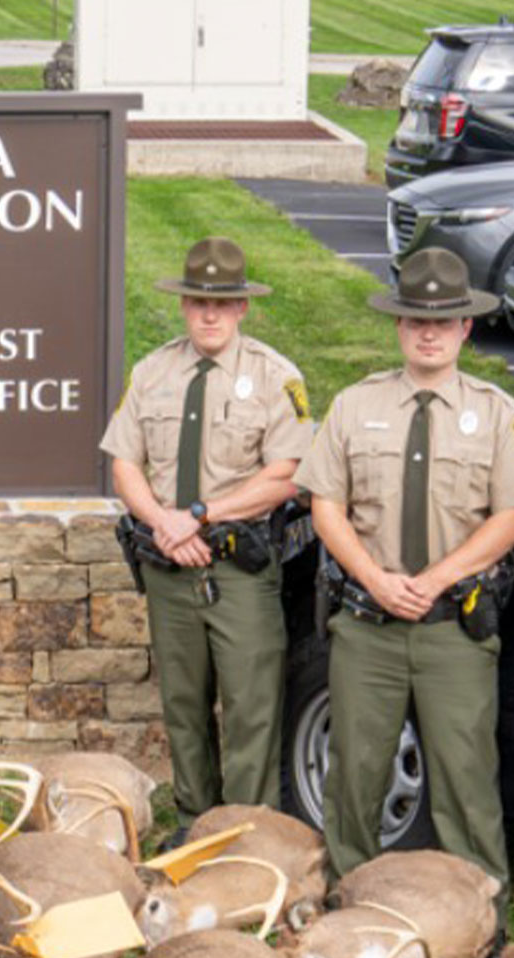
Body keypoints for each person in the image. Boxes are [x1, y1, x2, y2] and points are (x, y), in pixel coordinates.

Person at [294, 247, 514, 894]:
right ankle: (349, 902)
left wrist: (434, 580)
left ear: (466, 327)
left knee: (465, 775)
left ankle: (478, 914)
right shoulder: (356, 406)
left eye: (444, 321)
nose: (429, 333)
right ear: (399, 327)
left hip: (452, 630)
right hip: (368, 622)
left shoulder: (498, 413)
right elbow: (326, 507)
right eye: (416, 320)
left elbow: (513, 517)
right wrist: (374, 579)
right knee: (354, 771)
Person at [101, 237, 310, 843]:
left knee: (250, 709)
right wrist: (164, 524)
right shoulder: (152, 372)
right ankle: (194, 824)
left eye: (223, 302)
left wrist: (200, 515)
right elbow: (124, 464)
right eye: (198, 302)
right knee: (184, 707)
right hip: (169, 567)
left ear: (243, 307)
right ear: (184, 306)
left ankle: (247, 834)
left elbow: (289, 475)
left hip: (237, 570)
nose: (210, 314)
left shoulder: (276, 378)